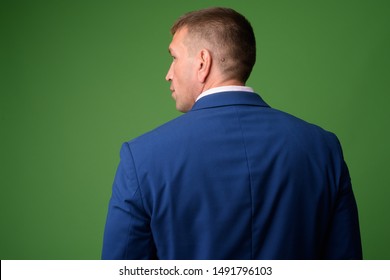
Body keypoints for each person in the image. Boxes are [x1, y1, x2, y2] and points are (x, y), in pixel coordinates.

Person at [102, 7, 362, 259]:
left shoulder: (141, 157)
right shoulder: (323, 149)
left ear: (203, 62)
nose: (168, 74)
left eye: (174, 57)